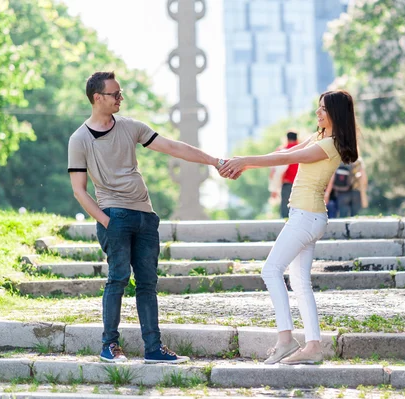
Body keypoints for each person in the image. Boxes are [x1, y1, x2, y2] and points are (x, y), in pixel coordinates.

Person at [68, 71, 226, 363]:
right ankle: (109, 346)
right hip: (114, 216)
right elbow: (80, 191)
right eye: (115, 94)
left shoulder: (131, 127)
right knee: (117, 279)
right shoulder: (79, 139)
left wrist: (214, 161)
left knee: (148, 284)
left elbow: (173, 147)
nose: (120, 98)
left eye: (120, 93)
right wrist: (107, 221)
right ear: (97, 98)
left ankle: (154, 349)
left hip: (145, 217)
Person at [219, 90, 359, 365]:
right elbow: (286, 152)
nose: (317, 113)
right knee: (299, 283)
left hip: (306, 217)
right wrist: (246, 164)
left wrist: (245, 160)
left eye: (323, 109)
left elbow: (288, 160)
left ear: (335, 115)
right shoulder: (320, 136)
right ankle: (314, 347)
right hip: (308, 216)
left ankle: (286, 340)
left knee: (270, 270)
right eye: (318, 108)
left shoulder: (329, 144)